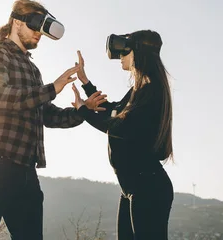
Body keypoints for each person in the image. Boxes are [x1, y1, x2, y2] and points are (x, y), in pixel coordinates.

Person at [0, 0, 104, 240]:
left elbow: (47, 114)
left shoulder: (32, 69)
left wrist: (84, 110)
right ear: (16, 22)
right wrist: (53, 88)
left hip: (25, 171)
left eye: (42, 29)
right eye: (34, 26)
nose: (39, 34)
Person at [71, 30, 174, 240]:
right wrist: (85, 82)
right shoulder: (139, 90)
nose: (120, 57)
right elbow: (114, 110)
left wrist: (82, 110)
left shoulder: (151, 91)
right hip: (132, 187)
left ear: (139, 53)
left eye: (125, 52)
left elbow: (118, 126)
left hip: (148, 187)